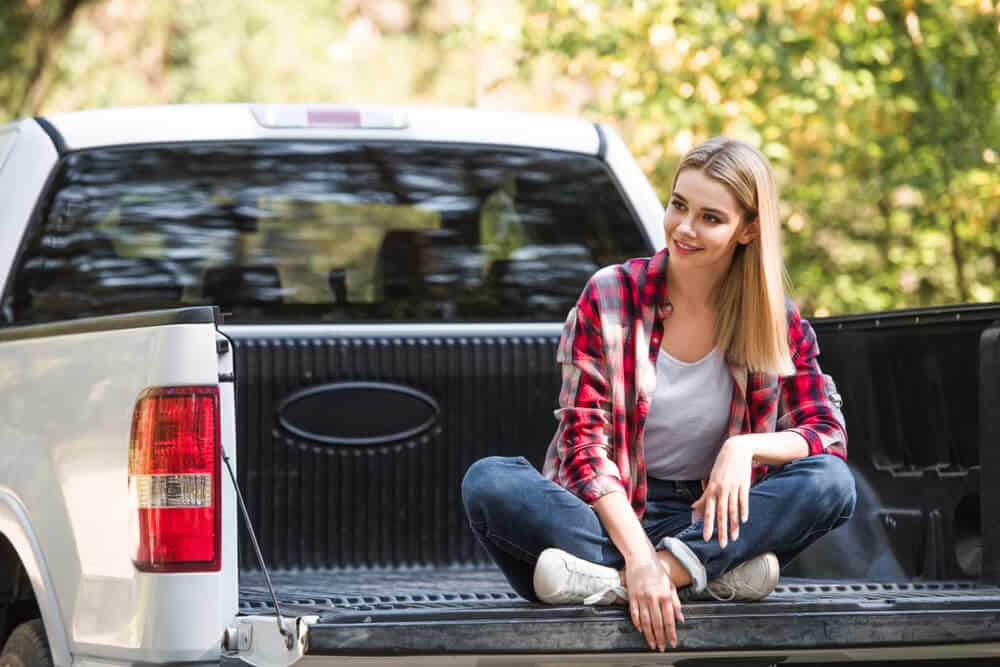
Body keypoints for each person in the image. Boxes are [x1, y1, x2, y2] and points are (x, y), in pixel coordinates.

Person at [461, 137, 856, 653]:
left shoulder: (774, 318)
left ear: (749, 229)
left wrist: (746, 448)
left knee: (831, 482)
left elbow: (826, 431)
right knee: (490, 481)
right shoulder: (609, 295)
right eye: (678, 205)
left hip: (708, 520)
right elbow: (584, 450)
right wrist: (641, 559)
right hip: (609, 516)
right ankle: (704, 577)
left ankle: (610, 583)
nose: (684, 228)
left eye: (710, 218)